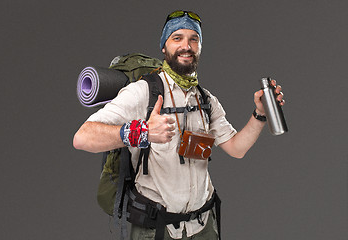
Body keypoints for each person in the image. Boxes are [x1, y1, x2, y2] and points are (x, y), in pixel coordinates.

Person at [73, 10, 285, 240]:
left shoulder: (205, 99)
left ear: (200, 47)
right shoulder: (144, 92)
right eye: (177, 38)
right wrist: (141, 132)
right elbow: (82, 137)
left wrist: (260, 114)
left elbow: (237, 148)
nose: (187, 45)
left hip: (203, 226)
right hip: (156, 231)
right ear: (164, 47)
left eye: (194, 39)